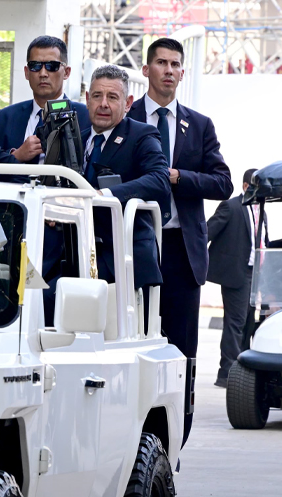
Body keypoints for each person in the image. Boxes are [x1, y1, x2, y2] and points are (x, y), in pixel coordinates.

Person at [129, 37, 232, 434]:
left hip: (181, 252)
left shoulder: (199, 125)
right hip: (134, 247)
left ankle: (177, 437)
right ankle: (136, 434)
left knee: (181, 351)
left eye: (175, 64)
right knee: (135, 344)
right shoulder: (126, 116)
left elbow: (222, 183)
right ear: (146, 70)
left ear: (182, 73)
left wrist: (176, 177)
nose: (168, 71)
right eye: (161, 63)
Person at [80, 64, 170, 293]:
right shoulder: (74, 140)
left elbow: (160, 180)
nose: (103, 104)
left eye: (112, 97)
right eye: (97, 96)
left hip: (124, 261)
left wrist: (106, 196)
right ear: (87, 99)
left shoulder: (141, 135)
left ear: (128, 103)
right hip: (77, 256)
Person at [0, 35, 90, 164]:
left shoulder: (86, 117)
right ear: (26, 72)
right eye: (35, 66)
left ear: (66, 72)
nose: (43, 73)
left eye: (52, 66)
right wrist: (15, 155)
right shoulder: (6, 117)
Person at [208, 168, 264, 386]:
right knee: (235, 323)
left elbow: (262, 241)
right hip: (236, 275)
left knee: (250, 323)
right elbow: (208, 231)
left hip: (256, 275)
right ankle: (227, 373)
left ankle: (244, 370)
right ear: (245, 186)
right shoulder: (230, 206)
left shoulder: (261, 210)